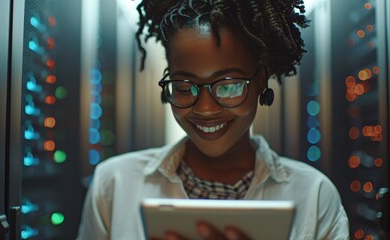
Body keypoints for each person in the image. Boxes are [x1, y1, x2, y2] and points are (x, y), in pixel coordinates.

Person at [77, 0, 350, 239]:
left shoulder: (315, 196)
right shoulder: (114, 184)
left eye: (229, 85)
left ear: (261, 81)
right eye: (184, 86)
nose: (205, 109)